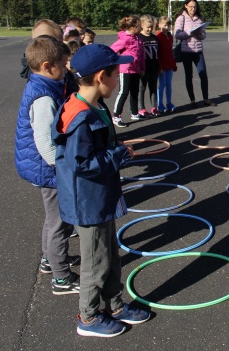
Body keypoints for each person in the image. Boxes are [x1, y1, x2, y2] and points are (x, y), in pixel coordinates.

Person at [52, 44, 150, 337]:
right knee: (95, 262)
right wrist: (116, 155)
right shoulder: (80, 116)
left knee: (110, 256)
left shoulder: (95, 105)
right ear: (99, 77)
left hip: (102, 196)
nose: (118, 80)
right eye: (115, 75)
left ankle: (115, 306)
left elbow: (99, 147)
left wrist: (116, 147)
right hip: (88, 201)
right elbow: (81, 164)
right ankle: (89, 317)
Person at [15, 36, 80, 294]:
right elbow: (44, 141)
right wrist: (65, 168)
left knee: (53, 220)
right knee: (59, 223)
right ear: (47, 66)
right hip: (49, 169)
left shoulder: (44, 85)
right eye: (63, 66)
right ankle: (61, 278)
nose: (66, 71)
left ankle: (48, 260)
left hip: (45, 168)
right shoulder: (43, 97)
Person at [175, 0, 215, 107]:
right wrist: (190, 32)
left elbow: (203, 35)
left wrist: (199, 34)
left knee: (203, 74)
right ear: (186, 6)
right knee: (189, 75)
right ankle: (192, 100)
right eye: (191, 6)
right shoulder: (181, 18)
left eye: (195, 7)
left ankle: (206, 99)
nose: (193, 9)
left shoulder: (199, 18)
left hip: (198, 51)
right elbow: (177, 34)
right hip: (186, 51)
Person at [111, 15, 144, 128]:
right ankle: (116, 116)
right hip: (126, 70)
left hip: (136, 70)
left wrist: (142, 68)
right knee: (124, 92)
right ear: (133, 27)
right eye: (139, 26)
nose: (141, 28)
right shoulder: (125, 39)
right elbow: (112, 50)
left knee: (135, 91)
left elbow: (142, 54)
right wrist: (115, 64)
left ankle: (134, 113)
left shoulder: (139, 38)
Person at [137, 14, 160, 117]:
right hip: (143, 68)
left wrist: (159, 67)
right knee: (142, 88)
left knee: (153, 87)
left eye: (151, 27)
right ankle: (141, 108)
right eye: (148, 27)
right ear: (142, 25)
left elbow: (158, 54)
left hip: (154, 67)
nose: (150, 29)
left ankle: (154, 107)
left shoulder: (155, 38)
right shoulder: (139, 38)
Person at [155, 16, 178, 113]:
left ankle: (169, 102)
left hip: (169, 64)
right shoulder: (158, 37)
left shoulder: (170, 36)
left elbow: (171, 52)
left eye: (168, 25)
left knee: (168, 84)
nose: (167, 27)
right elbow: (157, 53)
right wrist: (159, 66)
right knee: (162, 84)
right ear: (159, 25)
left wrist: (174, 64)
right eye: (165, 25)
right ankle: (159, 104)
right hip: (162, 65)